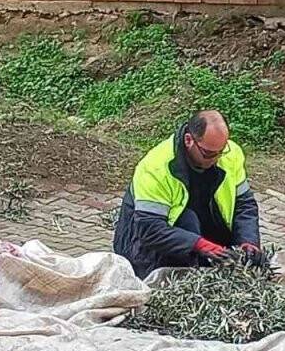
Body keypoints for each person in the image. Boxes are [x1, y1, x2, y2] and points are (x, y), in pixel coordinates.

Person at [113, 110, 263, 278]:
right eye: (209, 154)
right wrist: (197, 244)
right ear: (189, 140)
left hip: (199, 233)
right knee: (188, 220)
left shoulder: (230, 154)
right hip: (147, 248)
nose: (216, 158)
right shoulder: (155, 167)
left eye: (221, 151)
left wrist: (248, 241)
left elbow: (244, 205)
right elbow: (149, 228)